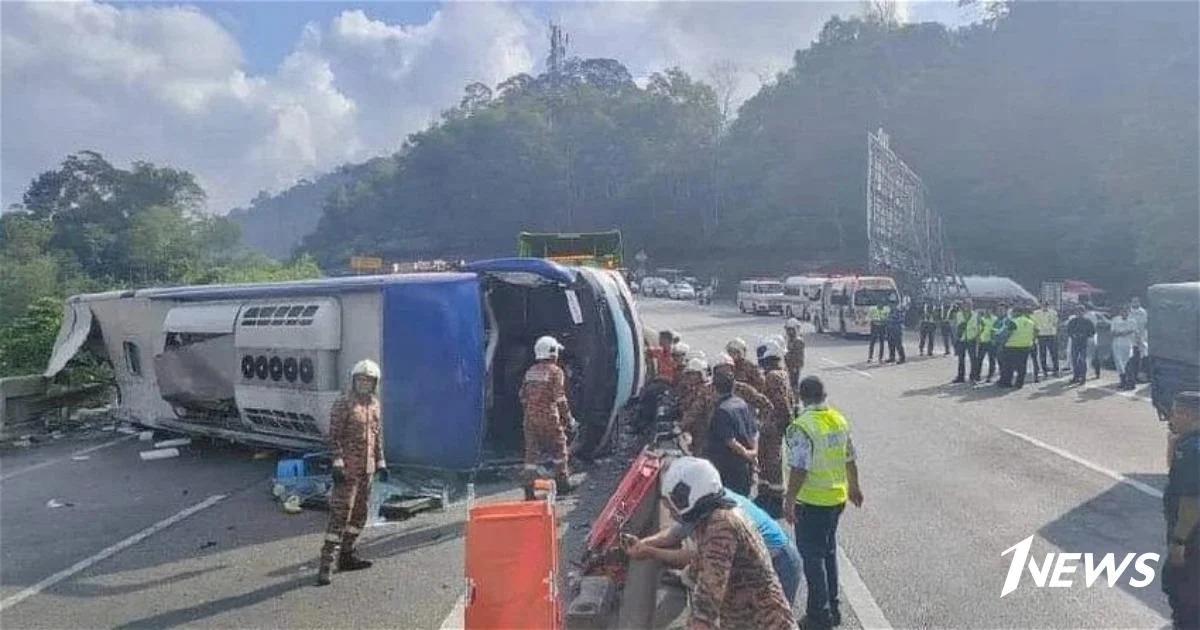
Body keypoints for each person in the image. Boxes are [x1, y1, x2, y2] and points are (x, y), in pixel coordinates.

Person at [629, 457, 796, 630]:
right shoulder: (713, 515)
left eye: (672, 505)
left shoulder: (721, 527)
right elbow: (700, 562)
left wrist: (698, 622)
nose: (671, 513)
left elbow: (708, 596)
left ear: (687, 498)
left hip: (764, 618)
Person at [785, 377, 863, 630]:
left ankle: (820, 615)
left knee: (813, 558)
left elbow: (799, 468)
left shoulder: (802, 426)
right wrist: (854, 487)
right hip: (836, 499)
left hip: (812, 502)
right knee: (828, 554)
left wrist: (789, 500)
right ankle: (832, 607)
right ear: (824, 394)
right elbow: (849, 457)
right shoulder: (838, 420)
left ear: (800, 396)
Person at [317, 359, 387, 586]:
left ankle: (347, 555)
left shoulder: (375, 405)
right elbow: (333, 436)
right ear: (354, 380)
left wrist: (381, 462)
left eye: (368, 381)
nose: (364, 384)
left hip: (366, 470)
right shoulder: (344, 403)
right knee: (340, 515)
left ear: (374, 383)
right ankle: (326, 564)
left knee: (359, 516)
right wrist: (337, 461)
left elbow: (377, 436)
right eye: (360, 380)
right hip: (347, 471)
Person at [519, 336, 576, 498]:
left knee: (531, 454)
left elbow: (522, 396)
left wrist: (532, 410)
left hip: (530, 418)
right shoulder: (555, 372)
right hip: (549, 417)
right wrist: (569, 419)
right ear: (552, 353)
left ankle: (529, 491)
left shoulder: (530, 372)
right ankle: (562, 483)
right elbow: (560, 399)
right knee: (559, 448)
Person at [1163, 392, 1200, 630]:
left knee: (1180, 590)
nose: (1171, 418)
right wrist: (1172, 442)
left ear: (1188, 415)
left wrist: (1179, 541)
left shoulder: (1191, 450)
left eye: (1175, 412)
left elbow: (1191, 500)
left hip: (1192, 538)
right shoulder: (1186, 443)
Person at [756, 337, 795, 518]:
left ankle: (776, 500)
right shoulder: (782, 373)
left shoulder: (773, 376)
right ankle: (765, 494)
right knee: (765, 458)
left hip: (773, 425)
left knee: (772, 461)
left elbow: (781, 402)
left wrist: (787, 422)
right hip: (770, 424)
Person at [708, 369, 759, 496]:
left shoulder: (721, 410)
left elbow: (730, 441)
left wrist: (747, 454)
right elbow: (753, 431)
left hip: (727, 467)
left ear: (714, 388)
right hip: (744, 466)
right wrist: (754, 453)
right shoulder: (742, 404)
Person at [680, 357, 717, 457]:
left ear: (701, 375)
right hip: (700, 431)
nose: (689, 377)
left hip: (704, 432)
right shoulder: (696, 389)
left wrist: (679, 427)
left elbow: (693, 412)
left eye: (693, 374)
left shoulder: (704, 391)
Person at [1000, 307, 1037, 389]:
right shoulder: (1030, 322)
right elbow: (1035, 332)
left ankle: (1007, 383)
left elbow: (1007, 334)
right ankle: (1019, 383)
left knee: (1009, 366)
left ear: (1016, 312)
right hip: (1025, 346)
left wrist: (1002, 343)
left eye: (1013, 312)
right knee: (1022, 366)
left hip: (1012, 346)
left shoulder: (1013, 322)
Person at [1065, 305, 1097, 385]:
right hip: (1075, 342)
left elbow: (1092, 331)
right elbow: (1068, 331)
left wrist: (1085, 335)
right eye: (1077, 311)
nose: (1079, 313)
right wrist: (1073, 335)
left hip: (1084, 343)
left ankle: (1083, 377)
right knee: (1074, 360)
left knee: (1082, 360)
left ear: (1084, 312)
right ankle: (1076, 376)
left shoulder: (1087, 322)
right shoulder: (1072, 321)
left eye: (1081, 311)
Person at [1110, 306, 1138, 390]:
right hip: (1117, 344)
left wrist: (1121, 332)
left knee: (1128, 364)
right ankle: (1123, 381)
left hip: (1128, 344)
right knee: (1119, 363)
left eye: (1126, 311)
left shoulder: (1132, 320)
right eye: (1122, 311)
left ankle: (1131, 383)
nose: (1124, 313)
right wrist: (1122, 332)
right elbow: (1113, 332)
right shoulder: (1115, 319)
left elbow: (1131, 331)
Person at [952, 301, 980, 384]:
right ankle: (961, 377)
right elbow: (955, 327)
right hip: (962, 340)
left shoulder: (976, 315)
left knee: (973, 359)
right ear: (962, 306)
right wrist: (956, 338)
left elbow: (979, 327)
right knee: (961, 359)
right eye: (965, 305)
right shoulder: (958, 315)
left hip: (972, 339)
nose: (967, 307)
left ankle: (973, 376)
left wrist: (977, 337)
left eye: (969, 305)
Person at [971, 306, 999, 384]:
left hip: (991, 342)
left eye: (989, 309)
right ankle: (977, 376)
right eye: (986, 310)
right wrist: (978, 338)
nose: (987, 311)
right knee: (979, 359)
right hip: (983, 341)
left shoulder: (995, 319)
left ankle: (990, 376)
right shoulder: (981, 319)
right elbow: (978, 329)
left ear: (992, 310)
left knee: (992, 360)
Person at [1033, 301, 1060, 376]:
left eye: (1046, 305)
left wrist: (1053, 330)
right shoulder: (1036, 313)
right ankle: (1044, 370)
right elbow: (1034, 324)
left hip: (1051, 334)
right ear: (1041, 305)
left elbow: (1055, 323)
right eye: (1043, 305)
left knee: (1054, 353)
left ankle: (1056, 369)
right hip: (1041, 335)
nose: (1044, 306)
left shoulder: (1053, 313)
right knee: (1042, 353)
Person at [784, 318, 806, 391]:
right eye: (788, 329)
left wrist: (796, 367)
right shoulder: (789, 340)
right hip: (788, 365)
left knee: (794, 383)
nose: (789, 332)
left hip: (794, 366)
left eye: (791, 329)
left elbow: (798, 356)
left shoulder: (798, 341)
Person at [885, 299, 907, 364]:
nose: (890, 306)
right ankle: (892, 357)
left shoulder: (898, 312)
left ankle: (902, 358)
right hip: (890, 330)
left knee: (898, 344)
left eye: (892, 304)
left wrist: (892, 321)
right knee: (891, 344)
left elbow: (901, 320)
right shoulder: (890, 312)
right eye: (890, 305)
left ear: (895, 305)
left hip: (896, 330)